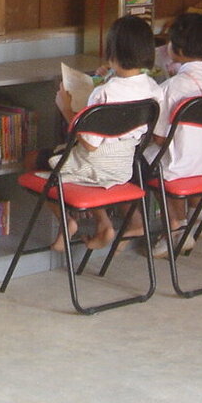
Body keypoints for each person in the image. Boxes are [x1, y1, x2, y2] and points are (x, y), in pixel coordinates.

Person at [48, 15, 162, 251]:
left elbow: (90, 145)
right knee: (95, 174)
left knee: (37, 163)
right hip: (123, 167)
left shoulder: (104, 94)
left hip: (93, 164)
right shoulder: (153, 89)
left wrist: (66, 109)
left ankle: (67, 222)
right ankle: (104, 224)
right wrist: (110, 74)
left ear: (112, 51)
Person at [143, 12, 202, 256]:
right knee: (178, 154)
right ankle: (195, 216)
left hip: (182, 167)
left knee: (150, 161)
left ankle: (176, 230)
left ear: (177, 48)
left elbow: (160, 139)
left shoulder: (171, 88)